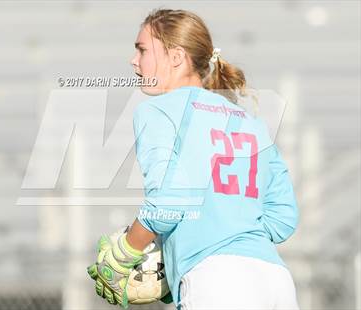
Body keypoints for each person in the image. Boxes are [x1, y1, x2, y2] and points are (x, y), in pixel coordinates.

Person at [88, 8, 300, 310]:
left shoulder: (158, 110)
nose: (134, 61)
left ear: (176, 57)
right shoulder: (250, 122)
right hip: (275, 281)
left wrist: (125, 252)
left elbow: (168, 202)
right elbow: (283, 219)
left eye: (142, 50)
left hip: (217, 281)